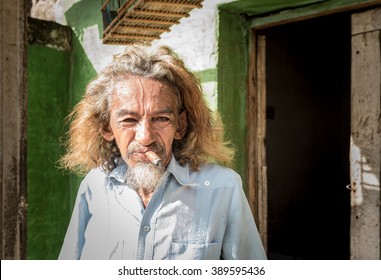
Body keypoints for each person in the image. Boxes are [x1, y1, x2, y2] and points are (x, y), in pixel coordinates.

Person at [58, 44, 267, 260]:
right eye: (129, 120)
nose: (145, 137)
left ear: (181, 126)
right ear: (106, 127)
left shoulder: (223, 187)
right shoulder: (94, 185)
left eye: (161, 119)